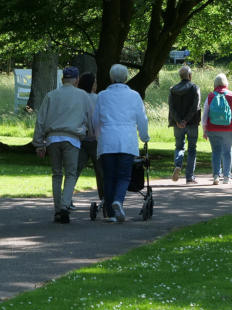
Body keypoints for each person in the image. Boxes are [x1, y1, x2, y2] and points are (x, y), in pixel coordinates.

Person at [32, 66, 93, 223]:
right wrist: (91, 134)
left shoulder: (51, 95)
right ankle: (65, 205)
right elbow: (90, 117)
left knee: (56, 173)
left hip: (52, 138)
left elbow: (41, 120)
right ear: (77, 80)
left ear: (62, 79)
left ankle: (58, 209)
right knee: (71, 173)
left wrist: (39, 143)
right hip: (72, 138)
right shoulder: (83, 96)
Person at [92, 64, 149, 223]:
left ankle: (111, 213)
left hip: (107, 140)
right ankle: (118, 200)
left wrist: (98, 137)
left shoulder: (102, 96)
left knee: (109, 177)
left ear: (111, 77)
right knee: (124, 175)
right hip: (126, 140)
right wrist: (144, 137)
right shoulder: (134, 95)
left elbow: (95, 120)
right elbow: (142, 119)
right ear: (126, 78)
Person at [202, 73, 232, 185]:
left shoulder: (211, 96)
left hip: (212, 128)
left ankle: (215, 176)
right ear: (226, 83)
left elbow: (205, 114)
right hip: (229, 128)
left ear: (215, 83)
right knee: (227, 152)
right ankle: (226, 177)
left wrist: (205, 130)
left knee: (215, 152)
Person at [168, 64, 201, 184]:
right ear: (190, 76)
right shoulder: (195, 88)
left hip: (177, 124)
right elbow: (195, 106)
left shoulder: (173, 89)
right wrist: (186, 120)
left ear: (180, 76)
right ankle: (190, 177)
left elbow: (171, 107)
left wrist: (178, 120)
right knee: (192, 149)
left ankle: (178, 164)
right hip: (191, 123)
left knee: (179, 147)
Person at [75, 72, 99, 192]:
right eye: (94, 83)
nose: (96, 85)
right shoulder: (97, 98)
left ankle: (67, 198)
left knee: (75, 170)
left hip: (79, 138)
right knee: (100, 171)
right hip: (95, 139)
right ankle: (104, 197)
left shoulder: (76, 97)